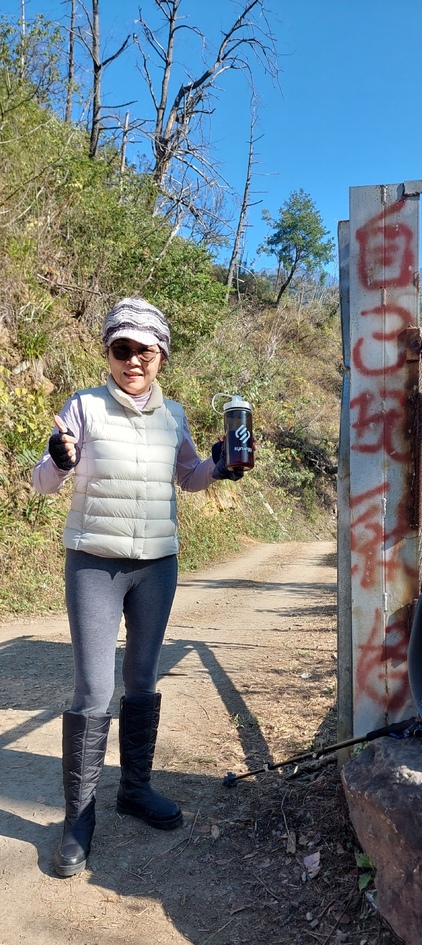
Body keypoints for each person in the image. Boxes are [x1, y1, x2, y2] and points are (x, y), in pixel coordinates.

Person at [32, 296, 245, 878]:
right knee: (92, 691)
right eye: (121, 349)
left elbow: (190, 477)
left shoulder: (173, 415)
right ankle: (79, 817)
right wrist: (57, 457)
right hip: (94, 566)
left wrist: (221, 466)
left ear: (160, 355)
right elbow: (44, 482)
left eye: (143, 350)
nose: (132, 361)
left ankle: (135, 789)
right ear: (108, 353)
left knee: (142, 678)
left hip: (158, 565)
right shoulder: (83, 408)